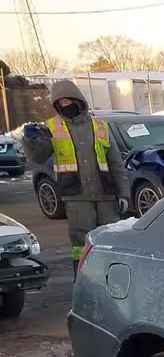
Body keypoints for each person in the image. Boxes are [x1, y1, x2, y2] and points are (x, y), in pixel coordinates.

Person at [22, 79, 129, 260]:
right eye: (60, 103)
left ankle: (112, 273)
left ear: (77, 99)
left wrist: (124, 194)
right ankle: (82, 273)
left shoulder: (100, 126)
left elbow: (116, 164)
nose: (65, 105)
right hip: (76, 197)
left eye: (67, 101)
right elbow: (38, 158)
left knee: (111, 240)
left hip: (106, 195)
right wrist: (31, 141)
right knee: (81, 244)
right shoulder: (52, 128)